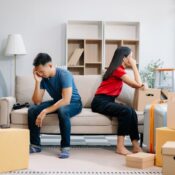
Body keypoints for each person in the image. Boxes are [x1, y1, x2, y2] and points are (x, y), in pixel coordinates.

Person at [28, 53, 82, 158]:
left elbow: (66, 100)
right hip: (58, 101)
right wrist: (37, 82)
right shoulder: (43, 78)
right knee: (32, 110)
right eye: (38, 72)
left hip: (74, 103)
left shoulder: (64, 75)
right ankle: (35, 145)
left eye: (42, 71)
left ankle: (65, 147)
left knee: (63, 110)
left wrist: (45, 111)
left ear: (50, 66)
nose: (40, 74)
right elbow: (37, 102)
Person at [91, 46, 144, 155]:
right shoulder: (117, 70)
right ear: (124, 58)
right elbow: (137, 85)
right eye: (131, 57)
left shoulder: (119, 70)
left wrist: (133, 64)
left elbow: (139, 84)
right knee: (126, 111)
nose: (132, 59)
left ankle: (135, 146)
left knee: (131, 111)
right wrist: (134, 65)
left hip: (108, 101)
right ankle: (120, 147)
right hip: (100, 102)